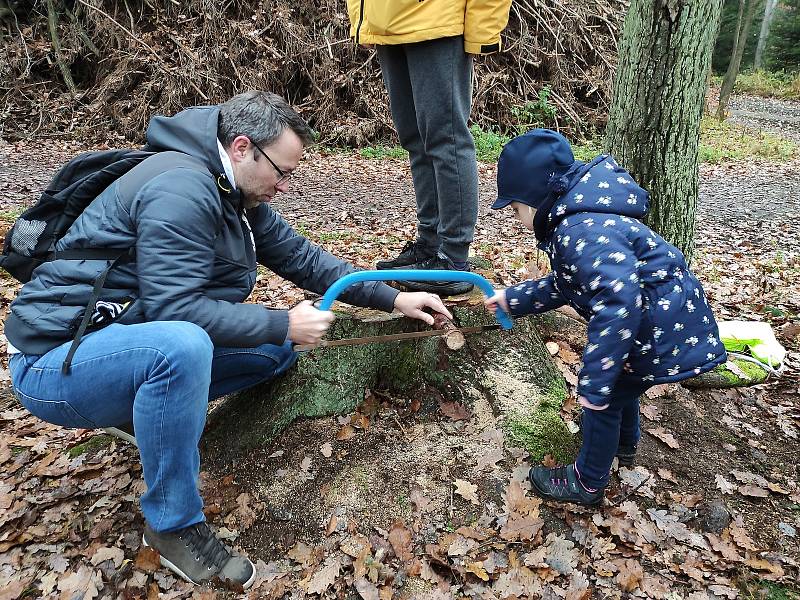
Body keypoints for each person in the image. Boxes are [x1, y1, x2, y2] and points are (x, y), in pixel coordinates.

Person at [4, 91, 451, 588]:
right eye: (281, 171)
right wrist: (283, 321)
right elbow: (175, 309)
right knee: (183, 346)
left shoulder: (232, 191)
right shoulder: (182, 189)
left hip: (120, 342)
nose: (284, 185)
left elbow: (303, 259)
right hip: (53, 362)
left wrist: (393, 298)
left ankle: (148, 417)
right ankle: (172, 525)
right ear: (242, 148)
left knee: (272, 354)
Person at [484, 129, 727, 507]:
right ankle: (625, 447)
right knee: (624, 386)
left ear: (534, 201)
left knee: (605, 396)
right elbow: (569, 285)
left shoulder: (579, 231)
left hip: (655, 329)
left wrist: (594, 378)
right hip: (662, 325)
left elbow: (618, 305)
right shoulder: (585, 221)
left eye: (515, 209)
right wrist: (513, 299)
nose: (515, 220)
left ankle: (587, 481)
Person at [346, 0, 512, 296]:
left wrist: (482, 32)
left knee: (445, 139)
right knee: (415, 140)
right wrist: (363, 19)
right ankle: (430, 245)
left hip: (438, 21)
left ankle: (454, 258)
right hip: (389, 24)